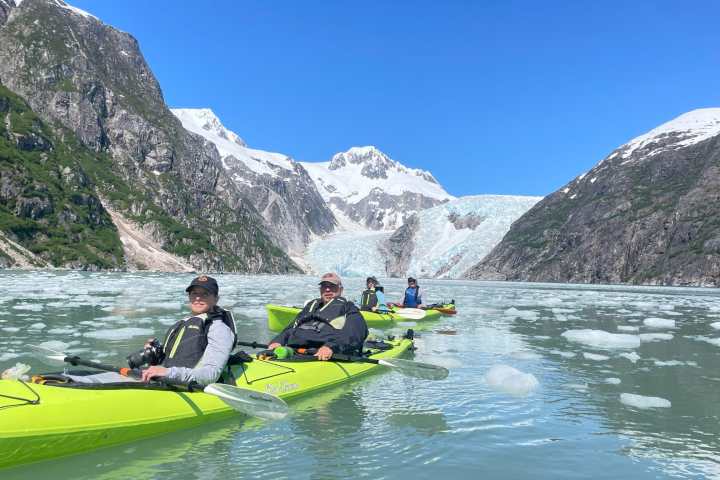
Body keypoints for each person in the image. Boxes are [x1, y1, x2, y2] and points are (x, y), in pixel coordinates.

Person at [138, 275, 237, 386]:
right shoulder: (183, 323)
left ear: (216, 299)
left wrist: (167, 372)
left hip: (191, 389)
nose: (198, 298)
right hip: (170, 381)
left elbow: (210, 375)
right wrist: (156, 356)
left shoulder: (219, 329)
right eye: (194, 293)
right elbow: (176, 360)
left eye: (205, 294)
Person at [267, 272, 368, 360]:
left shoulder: (348, 308)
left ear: (340, 289)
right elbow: (291, 328)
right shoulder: (311, 306)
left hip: (325, 354)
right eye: (324, 286)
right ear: (320, 289)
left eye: (332, 286)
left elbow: (354, 333)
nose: (327, 289)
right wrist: (278, 341)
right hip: (295, 351)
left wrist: (331, 347)